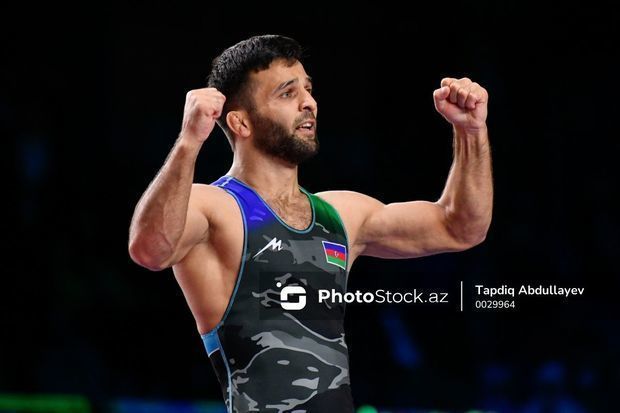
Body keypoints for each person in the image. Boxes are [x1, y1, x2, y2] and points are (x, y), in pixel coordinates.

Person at [128, 34, 492, 412]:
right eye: (288, 93)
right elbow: (150, 250)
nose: (309, 102)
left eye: (308, 89)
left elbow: (461, 228)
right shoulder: (213, 207)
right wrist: (189, 140)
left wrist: (471, 132)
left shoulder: (341, 215)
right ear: (241, 122)